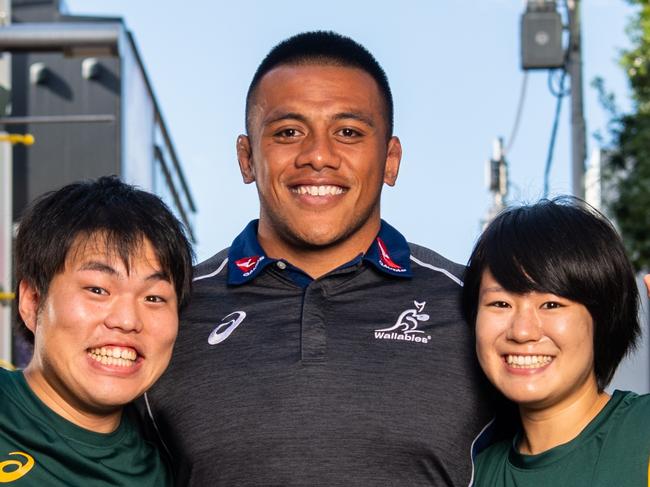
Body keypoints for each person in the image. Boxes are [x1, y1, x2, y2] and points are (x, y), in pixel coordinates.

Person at [144, 31, 492, 486]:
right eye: (289, 132)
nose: (318, 156)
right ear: (247, 158)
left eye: (348, 132)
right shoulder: (168, 309)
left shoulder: (478, 308)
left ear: (390, 160)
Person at [1, 176, 193, 485]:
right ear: (32, 302)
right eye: (98, 290)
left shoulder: (168, 468)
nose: (128, 320)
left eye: (154, 297)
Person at [462, 197, 650, 486]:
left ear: (603, 318)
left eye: (551, 304)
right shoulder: (475, 473)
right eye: (500, 303)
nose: (522, 331)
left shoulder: (641, 432)